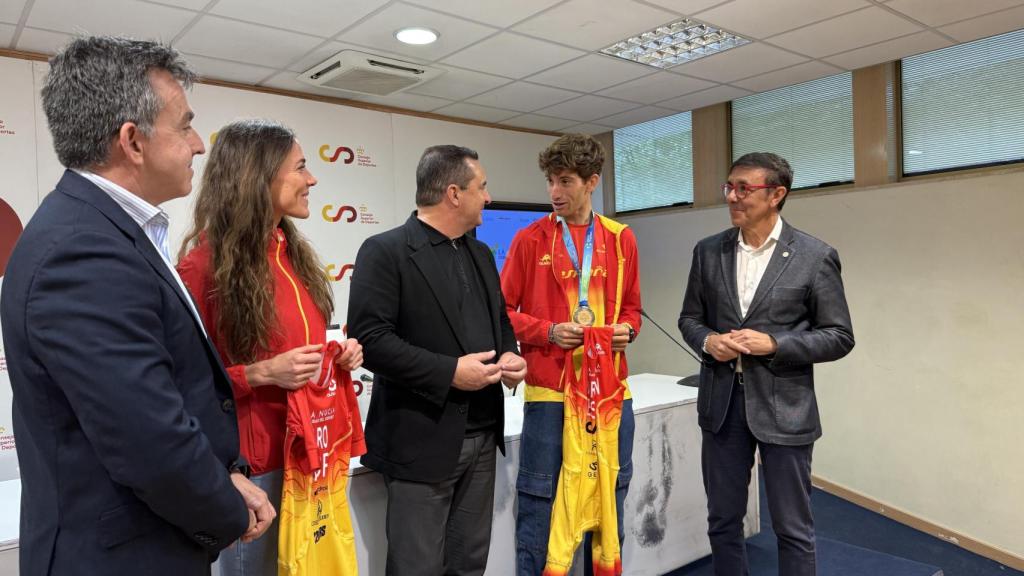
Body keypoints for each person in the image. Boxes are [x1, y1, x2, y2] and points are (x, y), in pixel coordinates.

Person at [0, 37, 274, 575]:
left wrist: (226, 474)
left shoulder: (111, 231)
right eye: (185, 125)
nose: (199, 144)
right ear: (133, 140)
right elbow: (147, 435)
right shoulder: (82, 250)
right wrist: (227, 511)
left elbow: (169, 395)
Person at [176, 119, 364, 575]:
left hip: (308, 457)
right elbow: (184, 384)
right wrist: (261, 374)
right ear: (258, 176)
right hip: (253, 467)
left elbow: (301, 346)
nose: (312, 179)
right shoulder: (203, 266)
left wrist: (338, 355)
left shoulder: (290, 252)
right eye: (300, 168)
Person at [347, 145, 527, 576]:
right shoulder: (385, 251)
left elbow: (499, 319)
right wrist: (450, 373)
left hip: (484, 436)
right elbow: (371, 341)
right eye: (481, 187)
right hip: (420, 442)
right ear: (453, 193)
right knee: (417, 568)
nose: (488, 197)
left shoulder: (481, 254)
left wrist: (510, 355)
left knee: (468, 563)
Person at [678, 152, 855, 576]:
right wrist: (709, 341)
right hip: (721, 406)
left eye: (744, 188)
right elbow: (689, 319)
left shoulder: (815, 256)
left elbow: (839, 336)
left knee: (793, 528)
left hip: (785, 408)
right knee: (722, 521)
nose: (733, 197)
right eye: (729, 187)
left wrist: (774, 343)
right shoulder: (708, 252)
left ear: (777, 194)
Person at [500, 134, 642, 575]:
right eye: (549, 181)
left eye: (565, 181)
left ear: (592, 182)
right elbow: (500, 314)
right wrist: (547, 331)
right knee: (542, 500)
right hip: (550, 394)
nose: (554, 192)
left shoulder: (621, 239)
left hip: (611, 396)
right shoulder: (530, 239)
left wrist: (627, 330)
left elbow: (634, 309)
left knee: (608, 498)